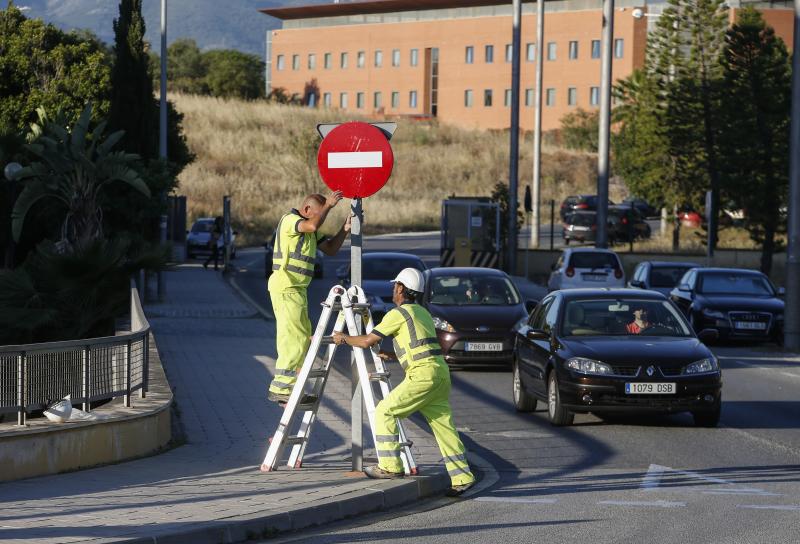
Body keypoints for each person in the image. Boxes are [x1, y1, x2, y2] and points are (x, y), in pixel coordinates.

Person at [332, 268, 476, 497]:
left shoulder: (397, 314)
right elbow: (419, 345)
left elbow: (368, 341)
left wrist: (343, 339)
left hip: (422, 376)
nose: (392, 290)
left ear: (401, 288)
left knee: (385, 412)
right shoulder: (422, 313)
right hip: (439, 373)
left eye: (394, 286)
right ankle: (462, 477)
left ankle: (390, 466)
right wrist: (392, 355)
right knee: (443, 428)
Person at [267, 190, 351, 404]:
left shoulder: (311, 230)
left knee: (303, 339)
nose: (321, 219)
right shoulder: (290, 220)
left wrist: (344, 229)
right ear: (306, 210)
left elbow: (331, 249)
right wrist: (329, 206)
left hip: (298, 290)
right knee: (292, 340)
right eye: (318, 213)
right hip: (286, 288)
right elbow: (312, 225)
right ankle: (281, 389)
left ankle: (292, 388)